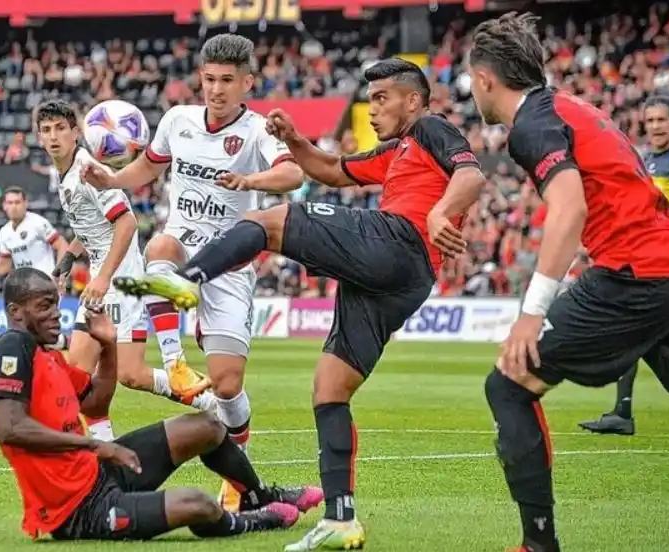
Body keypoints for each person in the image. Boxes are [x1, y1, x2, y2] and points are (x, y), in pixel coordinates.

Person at [107, 58, 487, 550]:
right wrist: (293, 140)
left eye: (381, 99)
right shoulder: (396, 153)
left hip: (400, 240)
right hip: (405, 280)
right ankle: (341, 518)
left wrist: (440, 211)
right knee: (330, 389)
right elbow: (330, 169)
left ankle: (187, 280)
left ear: (412, 101)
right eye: (369, 100)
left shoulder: (431, 128)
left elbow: (471, 176)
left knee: (267, 222)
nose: (371, 110)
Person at [437, 12, 669, 552]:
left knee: (508, 384)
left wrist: (531, 313)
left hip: (636, 274)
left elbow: (569, 207)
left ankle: (537, 545)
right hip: (668, 269)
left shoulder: (531, 125)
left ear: (483, 80)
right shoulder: (572, 108)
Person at [82, 33, 305, 512]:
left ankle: (239, 476)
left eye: (228, 81)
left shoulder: (258, 130)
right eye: (209, 79)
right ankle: (176, 362)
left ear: (248, 83)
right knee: (159, 245)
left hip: (229, 265)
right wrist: (113, 178)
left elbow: (293, 176)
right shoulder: (177, 120)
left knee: (227, 387)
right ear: (199, 78)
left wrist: (251, 180)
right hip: (182, 243)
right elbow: (149, 167)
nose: (217, 90)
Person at [0, 267, 323, 541]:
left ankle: (258, 495)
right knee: (198, 503)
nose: (56, 315)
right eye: (44, 306)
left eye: (55, 305)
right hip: (76, 509)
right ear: (16, 312)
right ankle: (254, 521)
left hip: (98, 473)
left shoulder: (49, 357)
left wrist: (109, 346)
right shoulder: (12, 345)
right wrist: (94, 445)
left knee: (207, 426)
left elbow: (96, 400)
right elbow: (10, 428)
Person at [34, 98, 217, 443]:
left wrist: (102, 279)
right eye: (46, 130)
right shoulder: (66, 173)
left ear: (77, 133)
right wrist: (69, 259)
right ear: (39, 138)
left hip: (118, 282)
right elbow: (91, 227)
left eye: (61, 128)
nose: (54, 136)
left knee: (129, 375)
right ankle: (103, 456)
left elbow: (127, 223)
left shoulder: (87, 171)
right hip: (101, 282)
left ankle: (212, 404)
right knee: (83, 377)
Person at [578, 95, 669, 436]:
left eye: (661, 120)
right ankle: (622, 412)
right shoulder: (645, 160)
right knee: (639, 333)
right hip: (652, 263)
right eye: (649, 121)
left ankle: (622, 413)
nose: (655, 127)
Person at [0, 186, 69, 279]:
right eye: (10, 203)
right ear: (4, 206)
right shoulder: (4, 232)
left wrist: (59, 274)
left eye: (17, 202)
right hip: (24, 287)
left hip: (45, 285)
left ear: (25, 203)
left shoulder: (38, 223)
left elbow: (62, 245)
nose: (14, 207)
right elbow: (4, 266)